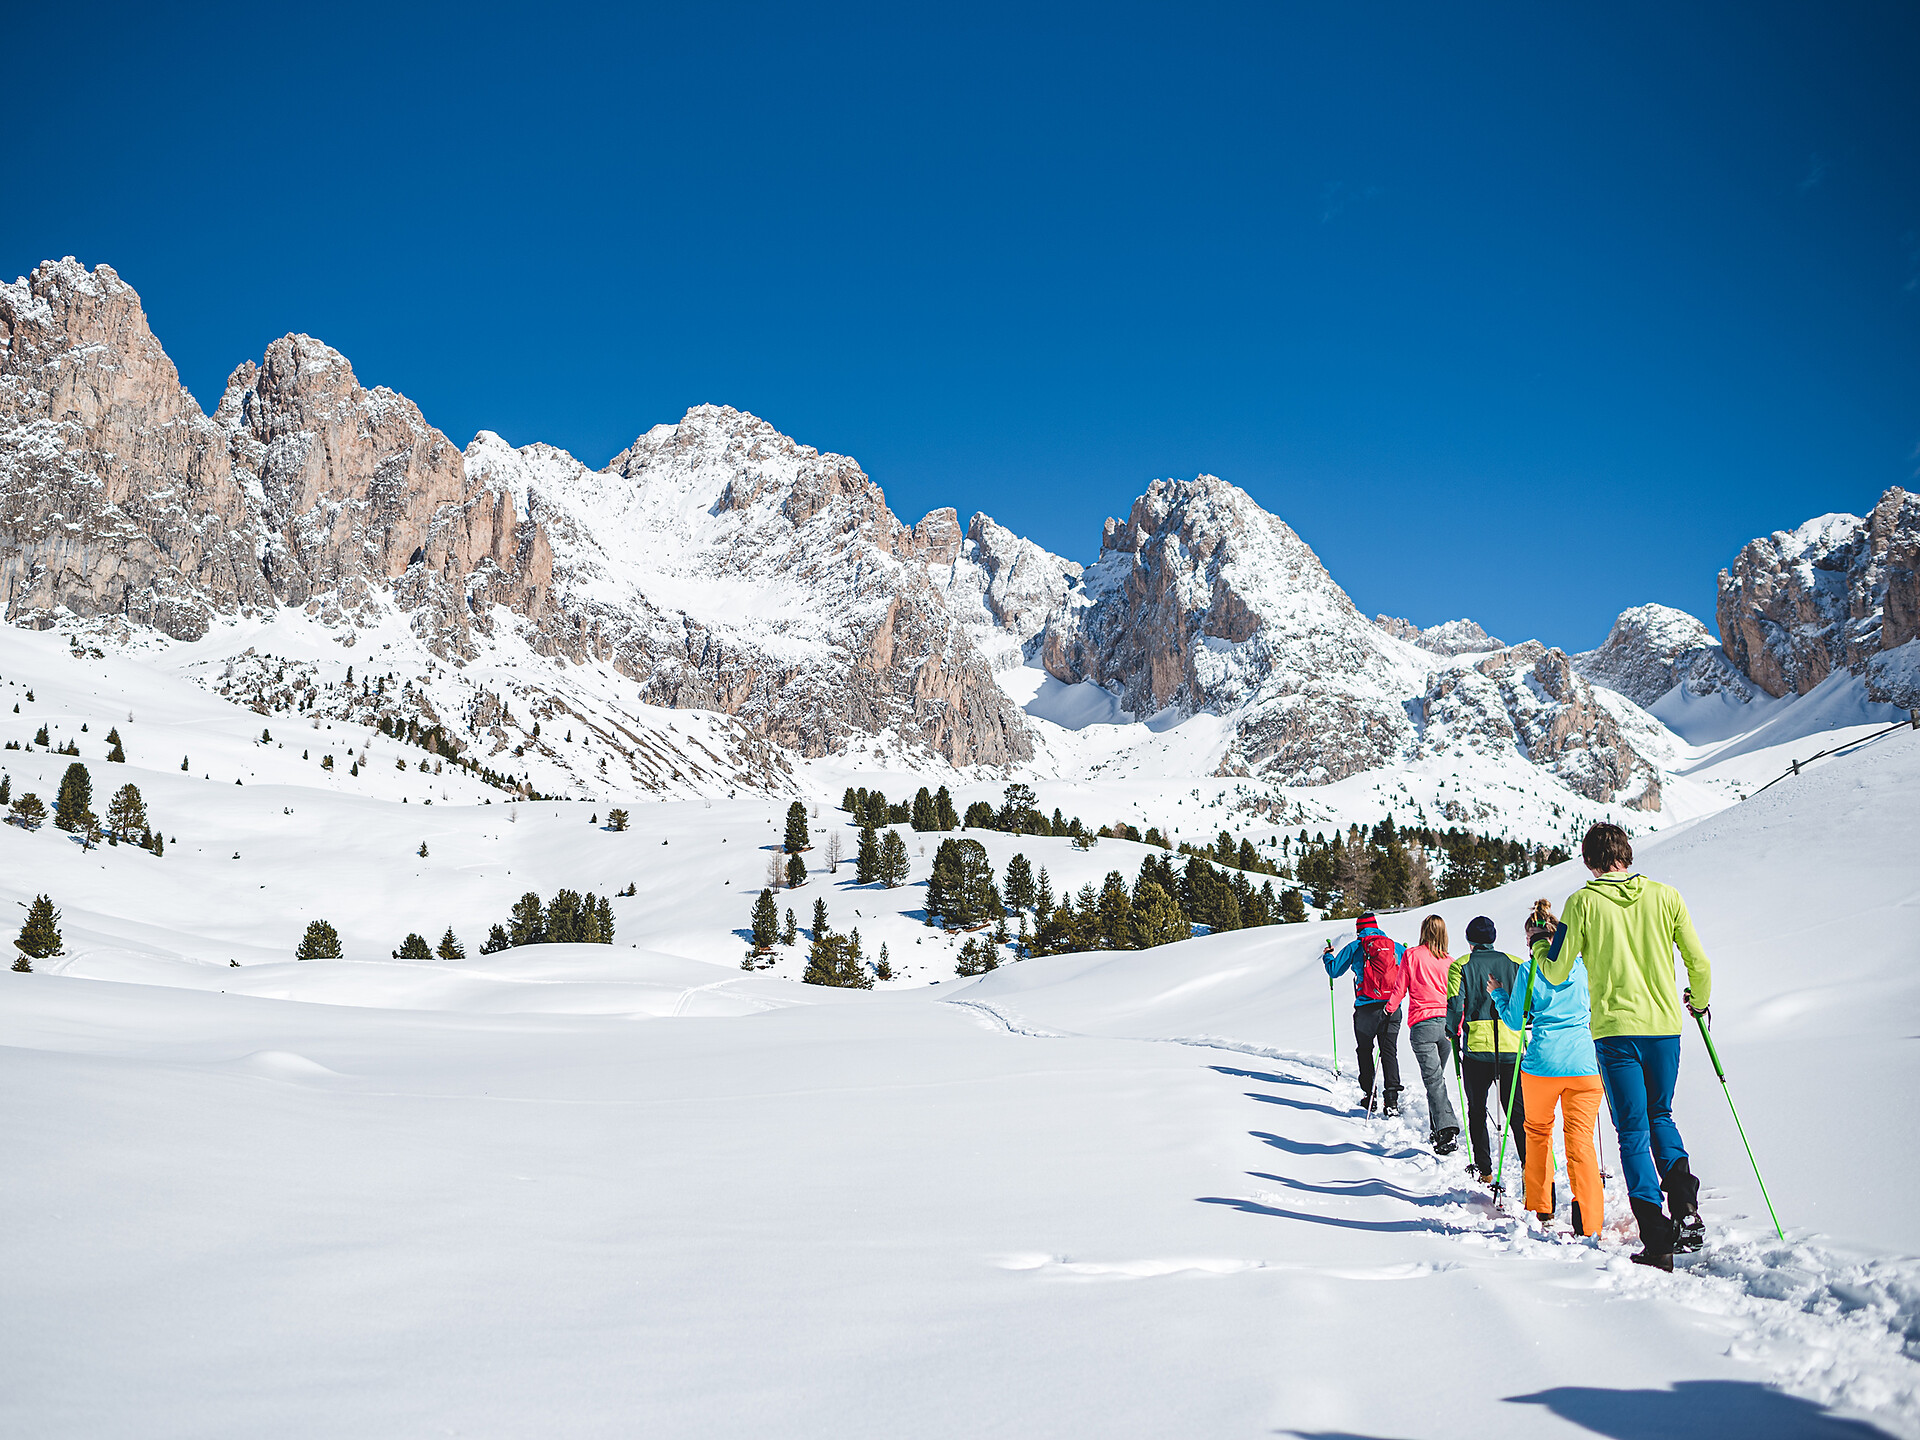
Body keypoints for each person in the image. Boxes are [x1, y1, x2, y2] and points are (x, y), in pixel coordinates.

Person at [1534, 822, 1711, 1271]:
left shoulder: (1583, 902)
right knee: (1661, 1115)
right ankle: (1685, 1204)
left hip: (1615, 1033)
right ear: (1626, 854)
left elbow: (1555, 973)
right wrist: (1699, 1000)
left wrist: (1540, 950)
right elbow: (1699, 962)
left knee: (1632, 1130)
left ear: (1590, 860)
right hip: (1665, 1028)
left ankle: (1655, 1238)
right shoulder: (1667, 896)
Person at [1489, 903, 1604, 1237]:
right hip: (1584, 1065)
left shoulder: (1529, 971)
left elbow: (1514, 1020)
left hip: (1542, 1066)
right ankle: (1590, 1221)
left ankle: (1541, 1208)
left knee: (1538, 1134)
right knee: (1581, 1141)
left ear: (1533, 938)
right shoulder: (1584, 967)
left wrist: (1498, 994)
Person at [1445, 915, 1526, 1182]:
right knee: (1516, 1111)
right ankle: (1529, 1167)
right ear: (1493, 938)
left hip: (1477, 1049)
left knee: (1477, 1109)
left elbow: (1456, 1003)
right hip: (1512, 1046)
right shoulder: (1516, 964)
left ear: (1470, 940)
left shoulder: (1461, 966)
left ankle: (1485, 1170)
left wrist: (1451, 1029)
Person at [1323, 911, 1407, 1115]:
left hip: (1366, 1008)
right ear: (1376, 926)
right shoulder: (1394, 946)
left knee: (1364, 1050)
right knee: (1389, 1051)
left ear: (1358, 929)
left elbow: (1334, 971)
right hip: (1392, 1007)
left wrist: (1328, 956)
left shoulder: (1355, 947)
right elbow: (1410, 965)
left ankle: (1370, 1095)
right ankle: (1392, 1100)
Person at [1403, 914, 1462, 1155]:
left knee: (1434, 1079)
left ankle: (1447, 1130)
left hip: (1423, 1025)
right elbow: (1457, 997)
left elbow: (1400, 987)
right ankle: (1438, 1131)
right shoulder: (1451, 962)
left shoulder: (1412, 955)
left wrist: (1388, 1009)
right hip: (1446, 1026)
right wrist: (1457, 1027)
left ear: (1424, 931)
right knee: (1435, 1079)